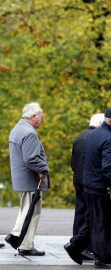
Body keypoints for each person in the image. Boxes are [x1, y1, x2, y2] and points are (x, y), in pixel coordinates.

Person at [64, 106, 111, 269]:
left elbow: (85, 160)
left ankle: (75, 246)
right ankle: (104, 259)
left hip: (89, 187)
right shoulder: (109, 139)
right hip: (100, 189)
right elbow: (108, 167)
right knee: (106, 224)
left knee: (92, 222)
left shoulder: (93, 135)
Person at [5, 102, 50, 256]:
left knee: (26, 210)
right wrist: (44, 168)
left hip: (20, 179)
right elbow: (31, 159)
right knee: (33, 211)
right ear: (33, 116)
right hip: (29, 180)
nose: (42, 120)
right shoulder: (29, 132)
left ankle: (16, 236)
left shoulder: (17, 129)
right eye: (41, 117)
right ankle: (25, 245)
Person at [71, 113, 104, 260]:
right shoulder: (96, 138)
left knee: (80, 214)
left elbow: (73, 161)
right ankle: (86, 248)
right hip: (90, 183)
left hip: (78, 179)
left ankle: (76, 245)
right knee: (91, 216)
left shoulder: (79, 137)